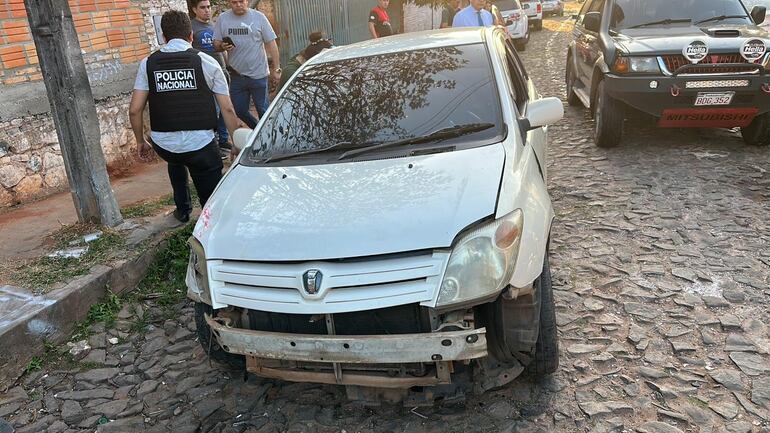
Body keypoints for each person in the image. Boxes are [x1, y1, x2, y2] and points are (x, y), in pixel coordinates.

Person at [129, 10, 239, 223]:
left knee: (176, 157)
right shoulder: (207, 62)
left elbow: (134, 109)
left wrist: (140, 141)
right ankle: (213, 221)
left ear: (163, 37)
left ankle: (183, 210)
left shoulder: (148, 63)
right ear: (191, 35)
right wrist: (235, 141)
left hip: (164, 146)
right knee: (211, 193)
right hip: (201, 146)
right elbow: (227, 109)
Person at [213, 0, 281, 129]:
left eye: (241, 1)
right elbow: (216, 44)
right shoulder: (223, 19)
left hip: (258, 74)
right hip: (237, 75)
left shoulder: (259, 17)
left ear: (247, 1)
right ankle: (257, 131)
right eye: (234, 2)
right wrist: (222, 45)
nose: (238, 4)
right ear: (229, 3)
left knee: (263, 110)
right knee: (239, 110)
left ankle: (268, 137)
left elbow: (271, 43)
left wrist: (277, 68)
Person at [189, 0, 231, 156]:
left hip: (222, 72)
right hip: (205, 76)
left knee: (224, 108)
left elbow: (221, 50)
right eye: (203, 7)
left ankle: (223, 139)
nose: (207, 10)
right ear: (194, 9)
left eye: (208, 7)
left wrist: (227, 66)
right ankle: (213, 143)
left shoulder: (215, 26)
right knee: (213, 110)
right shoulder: (192, 28)